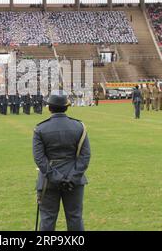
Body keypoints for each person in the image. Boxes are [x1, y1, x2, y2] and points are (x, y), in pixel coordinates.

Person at [33, 90, 91, 231]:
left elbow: (39, 159)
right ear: (67, 107)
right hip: (74, 179)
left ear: (49, 108)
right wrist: (72, 178)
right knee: (75, 218)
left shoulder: (40, 128)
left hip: (48, 180)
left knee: (47, 219)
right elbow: (85, 156)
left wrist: (56, 178)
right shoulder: (79, 127)